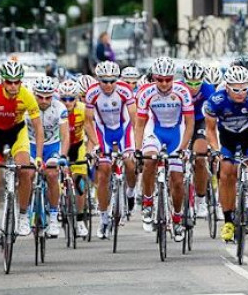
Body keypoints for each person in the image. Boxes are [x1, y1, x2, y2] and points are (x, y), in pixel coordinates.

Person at [0, 60, 44, 249]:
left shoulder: (27, 96)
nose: (14, 86)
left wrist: (38, 156)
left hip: (17, 133)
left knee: (25, 171)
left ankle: (23, 216)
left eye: (17, 82)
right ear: (3, 81)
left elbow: (38, 128)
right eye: (9, 82)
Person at [204, 66, 248, 241]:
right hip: (227, 138)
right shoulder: (216, 100)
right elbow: (210, 130)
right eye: (236, 89)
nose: (241, 93)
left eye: (244, 88)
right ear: (227, 87)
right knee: (227, 174)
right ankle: (228, 221)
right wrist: (214, 149)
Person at [135, 57, 194, 241]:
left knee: (177, 181)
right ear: (153, 78)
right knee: (149, 160)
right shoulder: (146, 92)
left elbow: (189, 123)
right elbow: (140, 124)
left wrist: (183, 148)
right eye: (159, 79)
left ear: (173, 77)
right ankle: (147, 201)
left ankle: (177, 218)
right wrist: (137, 149)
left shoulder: (182, 91)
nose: (164, 83)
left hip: (177, 132)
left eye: (168, 79)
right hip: (156, 131)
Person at [83, 61, 137, 239]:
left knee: (129, 163)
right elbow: (88, 122)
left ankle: (130, 193)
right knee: (103, 172)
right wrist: (96, 145)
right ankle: (104, 217)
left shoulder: (124, 90)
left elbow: (134, 118)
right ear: (98, 80)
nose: (108, 85)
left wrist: (136, 145)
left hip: (123, 129)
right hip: (103, 131)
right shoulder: (92, 93)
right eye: (104, 81)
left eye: (112, 81)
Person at [27, 76, 70, 238]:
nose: (44, 100)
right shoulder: (27, 107)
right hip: (30, 144)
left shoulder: (59, 108)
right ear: (34, 94)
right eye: (40, 96)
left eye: (48, 97)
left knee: (52, 174)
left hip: (52, 145)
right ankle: (25, 211)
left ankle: (53, 217)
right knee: (27, 174)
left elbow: (65, 136)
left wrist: (63, 156)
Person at [181, 61, 216, 219]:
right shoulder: (178, 88)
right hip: (182, 121)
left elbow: (213, 116)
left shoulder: (209, 89)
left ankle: (201, 201)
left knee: (200, 157)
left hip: (200, 121)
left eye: (197, 83)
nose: (193, 87)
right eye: (190, 83)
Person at [58, 80, 90, 237]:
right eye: (63, 99)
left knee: (79, 181)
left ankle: (79, 219)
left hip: (77, 146)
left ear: (77, 98)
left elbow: (92, 132)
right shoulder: (55, 110)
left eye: (71, 99)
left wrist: (92, 151)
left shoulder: (83, 110)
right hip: (60, 146)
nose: (67, 102)